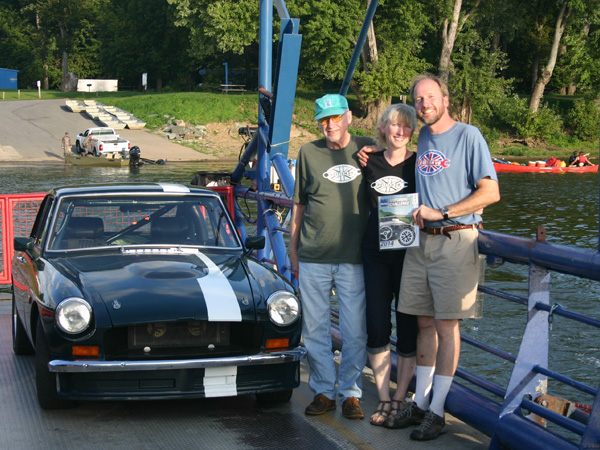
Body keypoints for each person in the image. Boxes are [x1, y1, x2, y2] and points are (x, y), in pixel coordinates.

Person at [358, 73, 500, 441]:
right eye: (419, 100)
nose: (424, 105)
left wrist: (447, 211)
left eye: (430, 98)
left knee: (446, 326)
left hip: (454, 239)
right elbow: (393, 154)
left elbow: (490, 192)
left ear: (445, 99)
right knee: (423, 323)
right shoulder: (422, 136)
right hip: (419, 243)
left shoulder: (470, 136)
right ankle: (419, 404)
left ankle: (436, 411)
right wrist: (369, 150)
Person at [290, 94, 374, 420]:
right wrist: (293, 252)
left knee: (355, 331)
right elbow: (298, 205)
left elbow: (397, 163)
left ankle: (351, 393)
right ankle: (324, 390)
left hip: (354, 258)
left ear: (348, 117)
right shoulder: (308, 152)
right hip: (313, 256)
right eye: (324, 120)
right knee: (314, 329)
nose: (330, 125)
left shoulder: (367, 149)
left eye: (335, 118)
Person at [360, 103, 418, 427]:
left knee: (408, 329)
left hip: (409, 255)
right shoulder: (370, 160)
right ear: (383, 128)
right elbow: (341, 142)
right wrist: (365, 147)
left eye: (406, 126)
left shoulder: (420, 165)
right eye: (394, 125)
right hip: (375, 253)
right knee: (378, 325)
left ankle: (400, 397)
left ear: (412, 132)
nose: (399, 131)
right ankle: (383, 396)